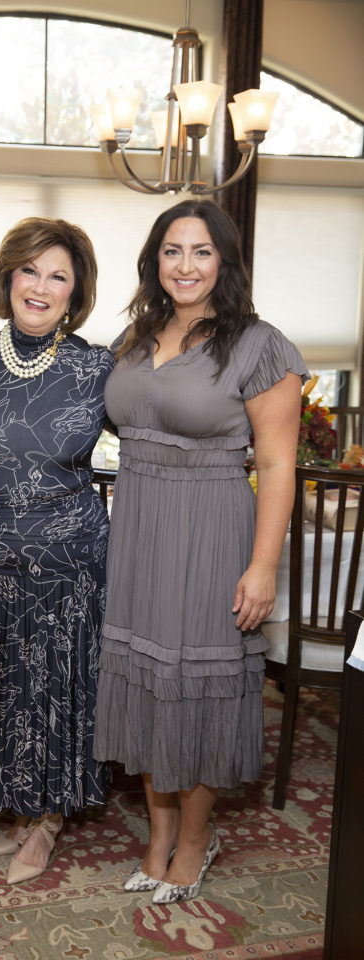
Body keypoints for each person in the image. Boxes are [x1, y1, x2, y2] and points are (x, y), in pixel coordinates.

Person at [93, 199, 307, 904]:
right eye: (172, 251)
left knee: (197, 690)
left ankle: (193, 840)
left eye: (201, 252)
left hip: (213, 528)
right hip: (140, 526)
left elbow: (277, 465)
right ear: (155, 261)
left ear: (225, 261)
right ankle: (155, 839)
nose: (185, 266)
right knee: (149, 687)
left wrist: (263, 564)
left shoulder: (259, 344)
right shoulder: (138, 333)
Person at [0, 217, 113, 884]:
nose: (41, 286)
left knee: (53, 688)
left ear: (75, 293)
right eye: (30, 270)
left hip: (69, 563)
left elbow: (165, 429)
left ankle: (47, 819)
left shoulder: (98, 367)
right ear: (7, 276)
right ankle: (20, 808)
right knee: (7, 688)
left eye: (59, 276)